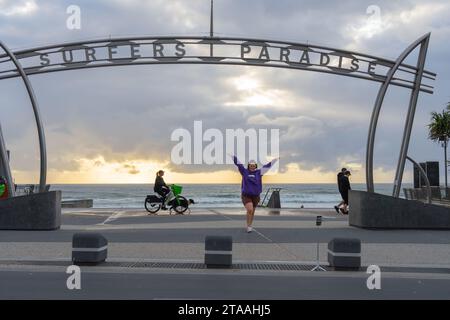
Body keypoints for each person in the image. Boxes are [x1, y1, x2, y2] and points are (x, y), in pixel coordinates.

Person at [232, 155, 279, 233]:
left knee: (252, 212)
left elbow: (267, 166)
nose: (252, 167)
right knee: (250, 209)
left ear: (255, 166)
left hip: (256, 196)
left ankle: (250, 225)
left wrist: (274, 160)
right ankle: (248, 226)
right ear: (248, 166)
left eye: (253, 166)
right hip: (246, 195)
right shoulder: (244, 171)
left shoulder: (259, 172)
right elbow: (239, 164)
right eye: (251, 166)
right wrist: (233, 157)